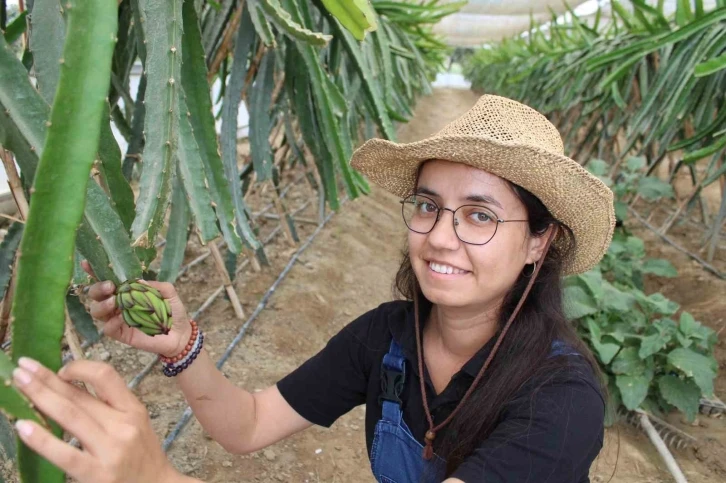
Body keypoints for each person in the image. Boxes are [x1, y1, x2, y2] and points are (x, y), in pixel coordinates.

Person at [11, 94, 615, 483]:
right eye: (428, 206)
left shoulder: (561, 399)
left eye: (479, 216)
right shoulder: (388, 338)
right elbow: (247, 424)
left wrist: (156, 478)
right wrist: (180, 346)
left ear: (540, 241)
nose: (440, 237)